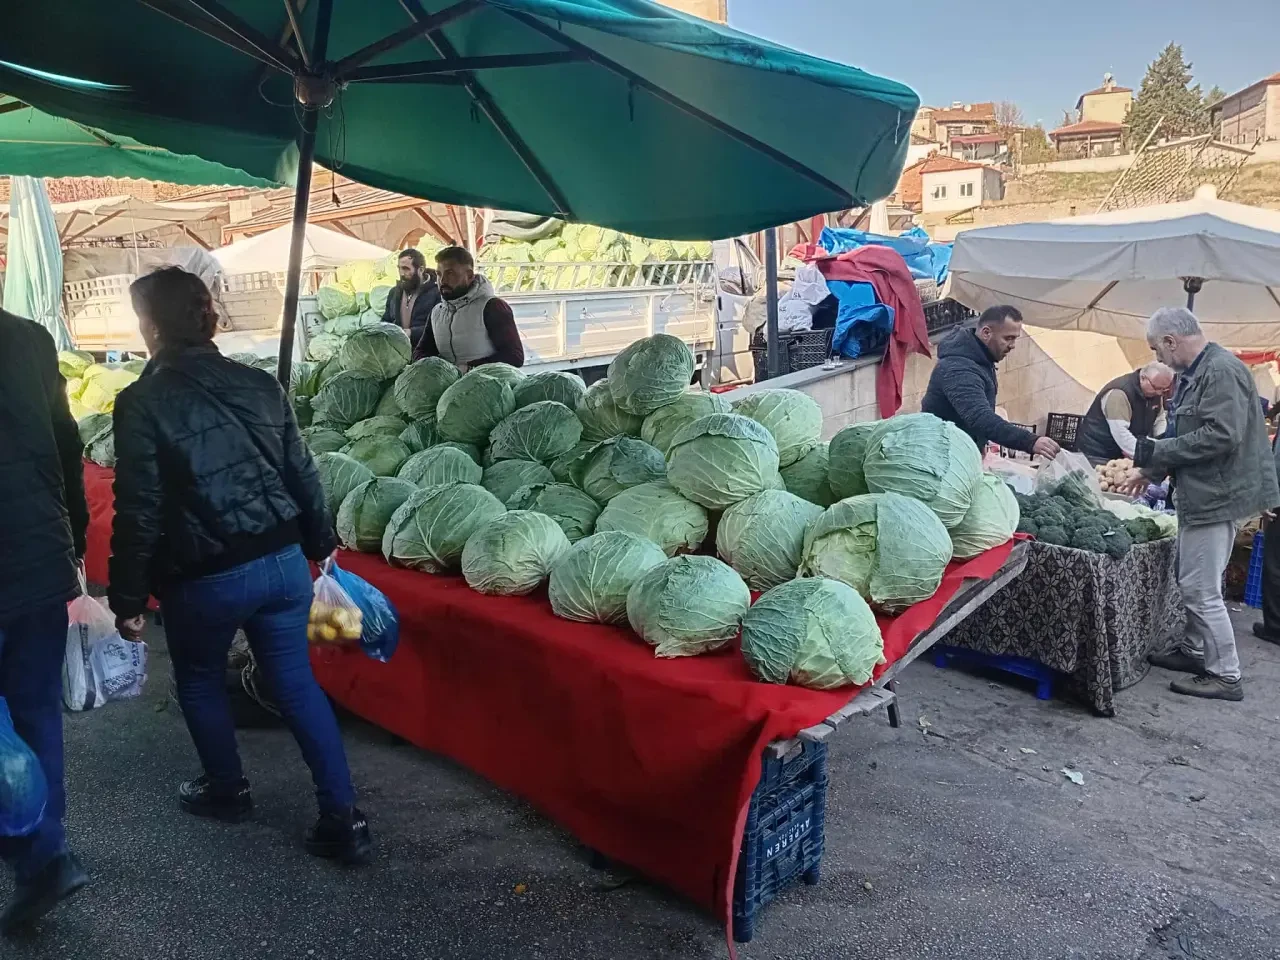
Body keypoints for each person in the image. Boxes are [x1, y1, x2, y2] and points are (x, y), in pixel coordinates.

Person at [109, 267, 371, 862]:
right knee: (297, 683)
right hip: (282, 565)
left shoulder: (141, 402)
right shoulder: (258, 383)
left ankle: (227, 790)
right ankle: (344, 819)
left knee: (199, 680)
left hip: (205, 577)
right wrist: (320, 542)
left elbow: (140, 508)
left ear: (149, 326)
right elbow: (303, 471)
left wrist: (126, 599)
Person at [1120, 307, 1279, 701]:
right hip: (1201, 494)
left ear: (1172, 341)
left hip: (1216, 496)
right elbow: (1182, 431)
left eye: (1158, 349)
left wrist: (1153, 452)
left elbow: (1219, 435)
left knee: (1200, 588)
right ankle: (1194, 651)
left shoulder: (1221, 372)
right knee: (1190, 578)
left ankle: (1226, 675)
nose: (1159, 357)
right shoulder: (1197, 374)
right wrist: (1150, 471)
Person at [0, 311, 91, 934]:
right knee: (35, 715)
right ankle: (44, 855)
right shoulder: (28, 337)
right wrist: (74, 539)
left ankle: (34, 851)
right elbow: (66, 443)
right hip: (37, 560)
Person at [921, 305, 1061, 459]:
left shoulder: (980, 358)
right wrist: (1030, 441)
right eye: (1008, 338)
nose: (1012, 345)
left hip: (960, 454)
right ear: (986, 332)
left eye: (1015, 338)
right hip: (942, 458)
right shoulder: (958, 368)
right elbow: (980, 417)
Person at [414, 245, 524, 370]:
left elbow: (514, 356)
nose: (442, 280)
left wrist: (469, 368)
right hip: (448, 386)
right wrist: (430, 367)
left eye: (450, 273)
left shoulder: (492, 307)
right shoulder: (436, 312)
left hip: (489, 385)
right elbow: (422, 350)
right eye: (439, 274)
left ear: (470, 275)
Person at [1076, 361, 1175, 462]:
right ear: (1143, 378)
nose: (1159, 393)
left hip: (1123, 451)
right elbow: (1121, 433)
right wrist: (1145, 456)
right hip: (1098, 452)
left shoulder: (1155, 393)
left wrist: (1161, 440)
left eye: (1163, 390)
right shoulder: (1118, 394)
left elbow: (1159, 418)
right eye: (1156, 388)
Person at [380, 248, 441, 354]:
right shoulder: (394, 293)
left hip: (426, 354)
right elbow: (387, 319)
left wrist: (412, 333)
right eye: (399, 268)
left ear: (421, 270)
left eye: (406, 269)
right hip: (398, 354)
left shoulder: (436, 294)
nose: (402, 273)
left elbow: (440, 327)